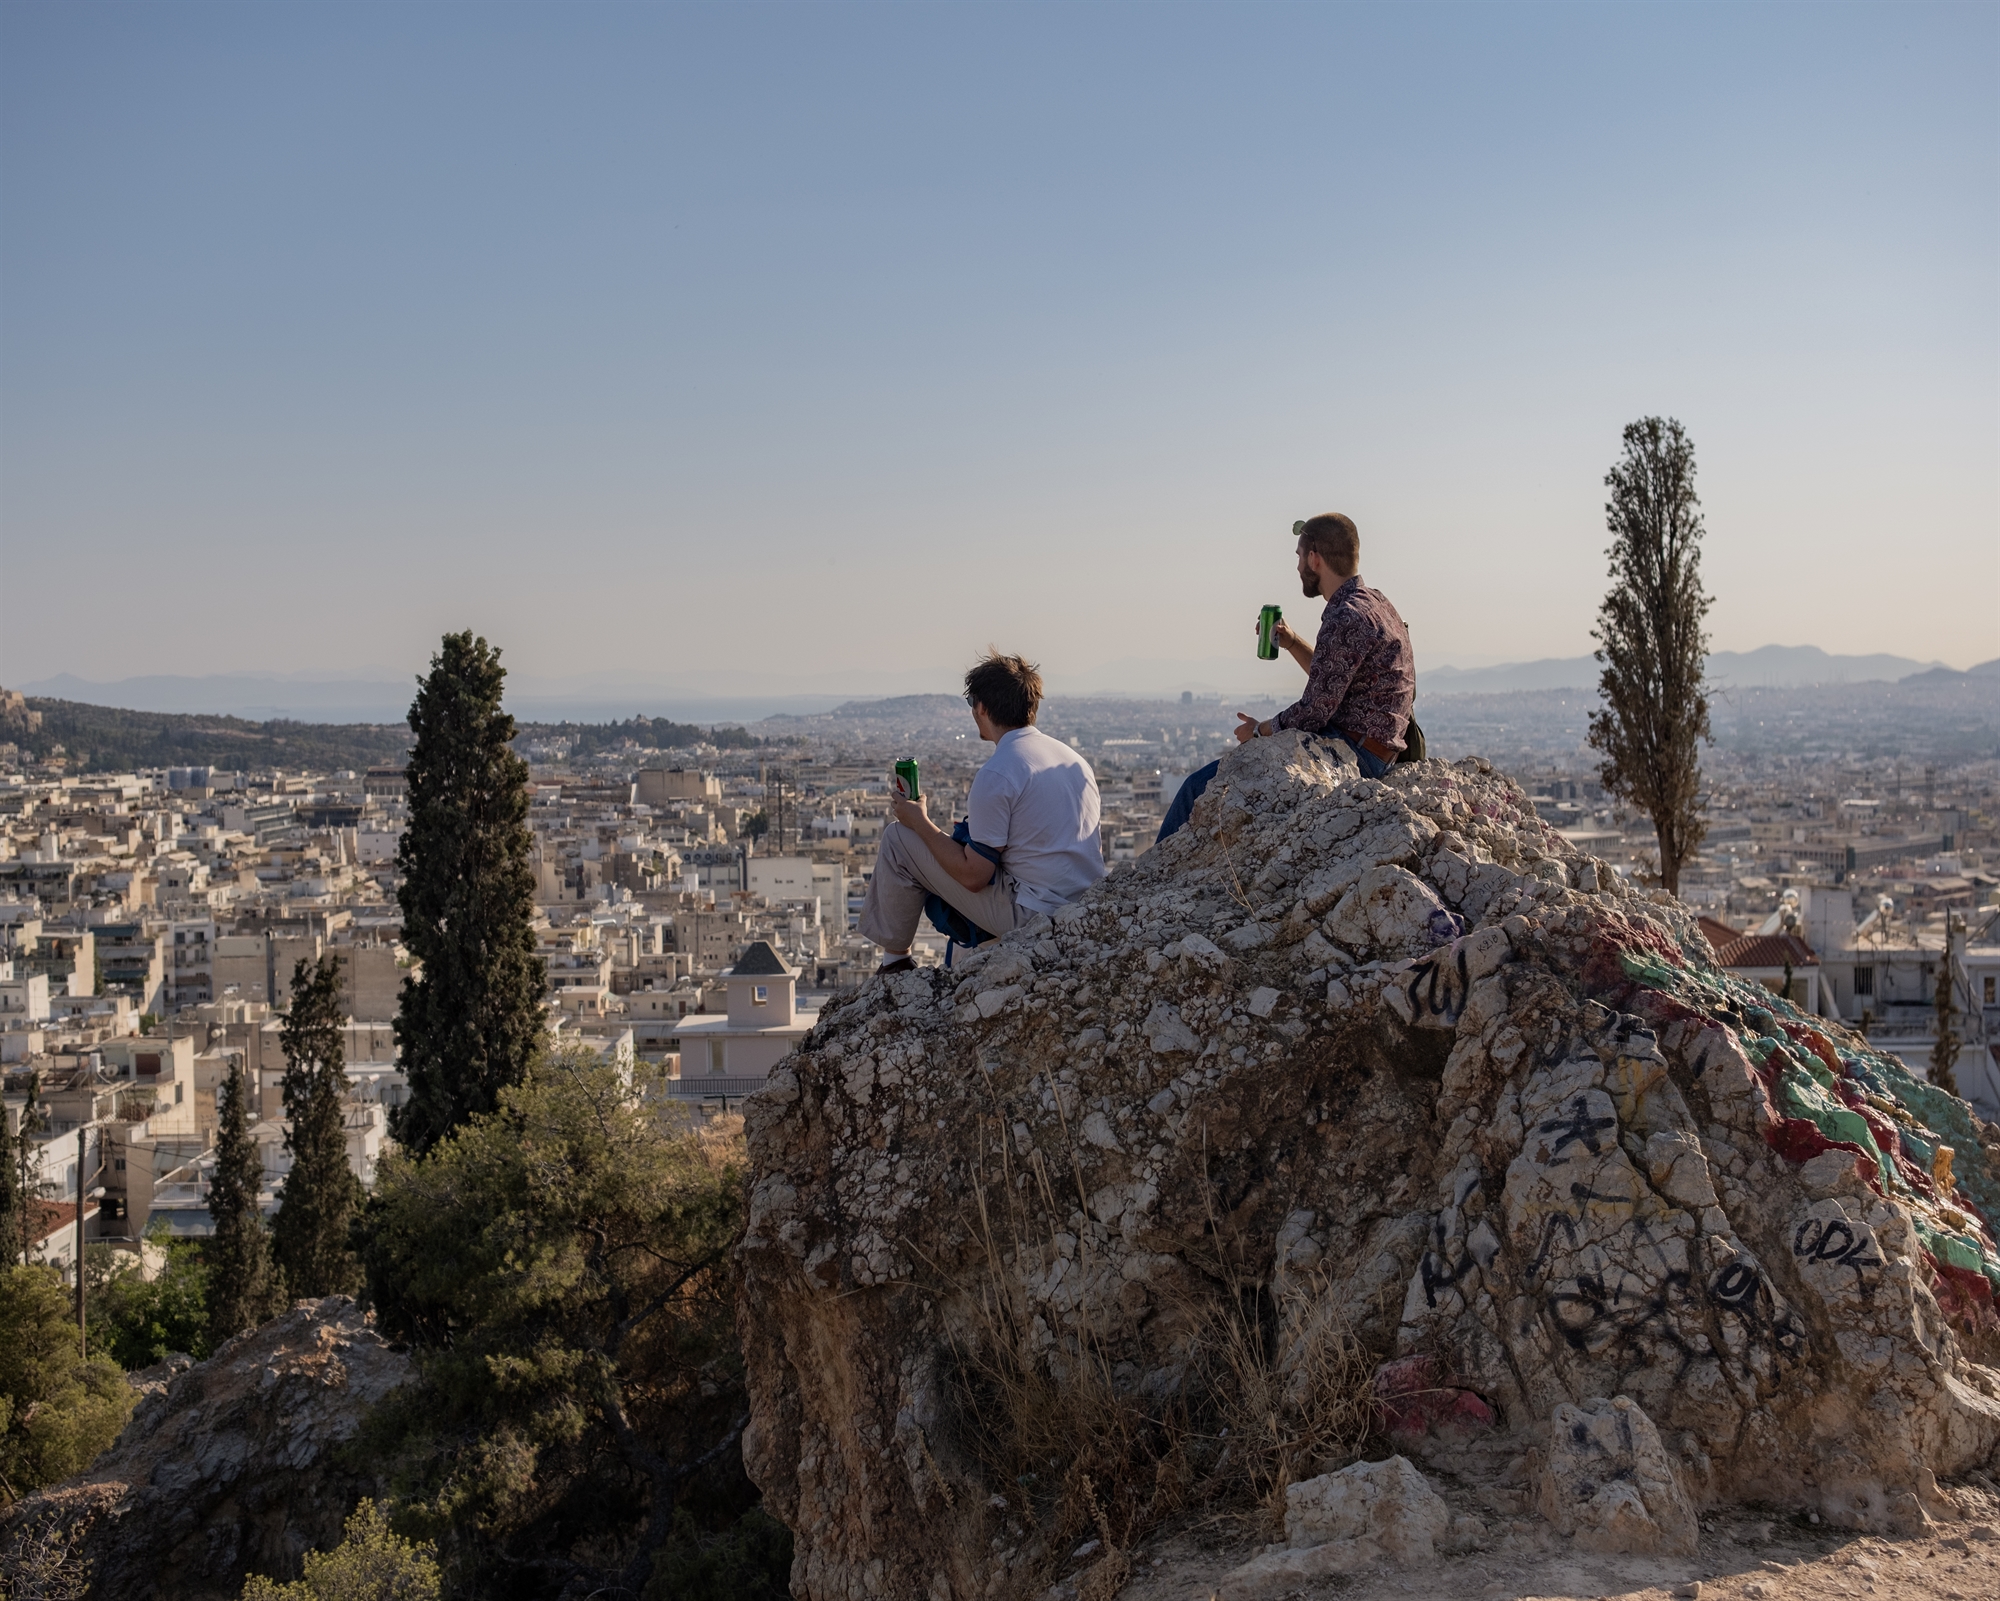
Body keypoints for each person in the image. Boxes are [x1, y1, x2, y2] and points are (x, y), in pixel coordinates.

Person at [1157, 513, 1414, 842]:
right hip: (1373, 750)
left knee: (1199, 787)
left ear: (1314, 558)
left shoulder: (1346, 616)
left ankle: (1145, 885)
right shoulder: (1377, 603)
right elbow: (1336, 681)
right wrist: (1292, 642)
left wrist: (1259, 732)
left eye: (1298, 556)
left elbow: (1313, 710)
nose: (1296, 567)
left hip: (1355, 754)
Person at [861, 651, 1105, 976]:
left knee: (898, 837)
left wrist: (919, 821)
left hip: (1033, 914)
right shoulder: (1074, 760)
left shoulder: (999, 772)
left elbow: (974, 877)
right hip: (1086, 906)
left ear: (982, 708)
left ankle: (895, 962)